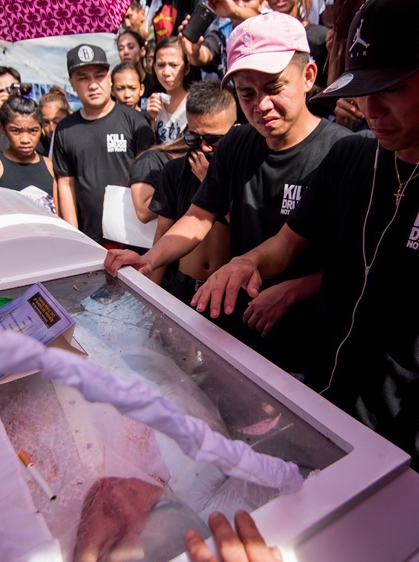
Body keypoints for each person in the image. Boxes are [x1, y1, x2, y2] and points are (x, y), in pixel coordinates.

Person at [192, 0, 419, 488]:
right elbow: (288, 244)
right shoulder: (352, 155)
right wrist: (248, 261)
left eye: (393, 88)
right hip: (322, 411)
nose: (371, 109)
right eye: (362, 89)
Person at [105, 11, 351, 375]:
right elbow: (199, 216)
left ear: (308, 77)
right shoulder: (237, 142)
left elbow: (352, 267)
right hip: (241, 328)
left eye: (274, 87)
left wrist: (294, 290)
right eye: (247, 93)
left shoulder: (343, 153)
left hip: (309, 339)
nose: (260, 105)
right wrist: (150, 259)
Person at [51, 43, 154, 243]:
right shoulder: (64, 129)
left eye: (99, 76)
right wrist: (75, 237)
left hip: (134, 238)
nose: (92, 84)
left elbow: (150, 178)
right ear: (71, 83)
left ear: (108, 78)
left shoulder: (135, 121)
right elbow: (65, 183)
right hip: (90, 238)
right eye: (83, 78)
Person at [149, 80, 236, 306]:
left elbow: (250, 235)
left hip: (228, 292)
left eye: (214, 139)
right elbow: (162, 235)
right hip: (183, 287)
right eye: (194, 139)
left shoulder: (246, 175)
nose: (204, 147)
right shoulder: (174, 171)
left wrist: (211, 183)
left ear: (235, 132)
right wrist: (151, 297)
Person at [0, 96, 57, 212]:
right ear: (3, 129)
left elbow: (60, 214)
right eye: (16, 131)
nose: (25, 139)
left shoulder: (50, 166)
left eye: (33, 131)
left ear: (41, 128)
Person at [146, 36, 195, 144]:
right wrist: (150, 119)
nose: (166, 72)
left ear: (187, 68)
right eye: (161, 65)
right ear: (154, 67)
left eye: (173, 65)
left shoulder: (195, 104)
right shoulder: (153, 104)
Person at [38, 87, 71, 156]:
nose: (51, 129)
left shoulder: (78, 144)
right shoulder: (37, 150)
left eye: (56, 122)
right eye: (46, 122)